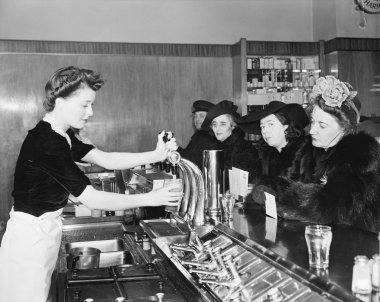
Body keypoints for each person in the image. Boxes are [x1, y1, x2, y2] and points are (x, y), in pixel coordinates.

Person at [0, 66, 183, 302]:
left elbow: (105, 158)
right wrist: (151, 198)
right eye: (85, 104)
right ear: (61, 101)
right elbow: (93, 198)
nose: (91, 112)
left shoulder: (61, 134)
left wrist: (155, 155)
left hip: (43, 233)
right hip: (30, 239)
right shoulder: (47, 141)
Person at [249, 75, 380, 233]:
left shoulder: (359, 153)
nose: (312, 130)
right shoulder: (311, 150)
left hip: (353, 241)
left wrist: (286, 203)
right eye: (313, 122)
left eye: (322, 125)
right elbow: (293, 183)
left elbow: (330, 206)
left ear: (344, 129)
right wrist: (269, 186)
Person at [237, 101, 309, 179]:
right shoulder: (267, 157)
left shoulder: (305, 155)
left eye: (271, 124)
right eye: (262, 127)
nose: (265, 131)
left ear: (286, 126)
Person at [201, 100, 260, 188]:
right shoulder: (214, 147)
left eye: (223, 124)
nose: (217, 129)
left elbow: (244, 185)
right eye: (214, 124)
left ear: (233, 126)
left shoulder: (244, 149)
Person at [178, 100, 218, 169]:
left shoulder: (206, 137)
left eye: (201, 116)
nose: (197, 119)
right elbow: (188, 155)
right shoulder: (201, 135)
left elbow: (190, 162)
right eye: (195, 116)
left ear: (210, 118)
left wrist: (175, 148)